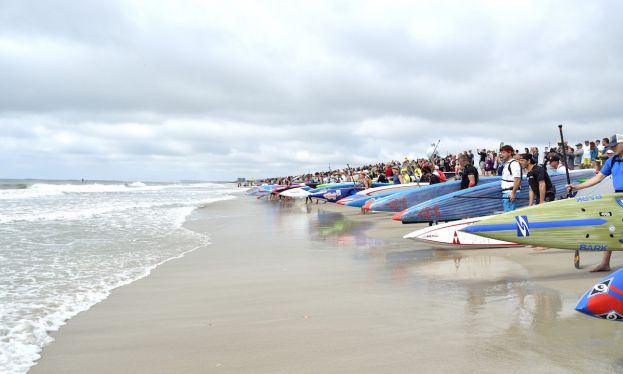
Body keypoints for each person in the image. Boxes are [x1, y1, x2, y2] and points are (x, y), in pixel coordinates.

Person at [568, 134, 623, 272]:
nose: (613, 149)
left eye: (615, 146)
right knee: (610, 227)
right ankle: (605, 263)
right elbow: (598, 178)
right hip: (617, 197)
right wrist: (577, 187)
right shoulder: (613, 160)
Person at [499, 145, 522, 211]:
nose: (501, 155)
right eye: (501, 153)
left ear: (509, 153)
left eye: (503, 152)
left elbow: (517, 179)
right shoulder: (507, 164)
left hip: (509, 193)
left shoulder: (514, 164)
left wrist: (513, 193)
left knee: (509, 214)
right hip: (507, 193)